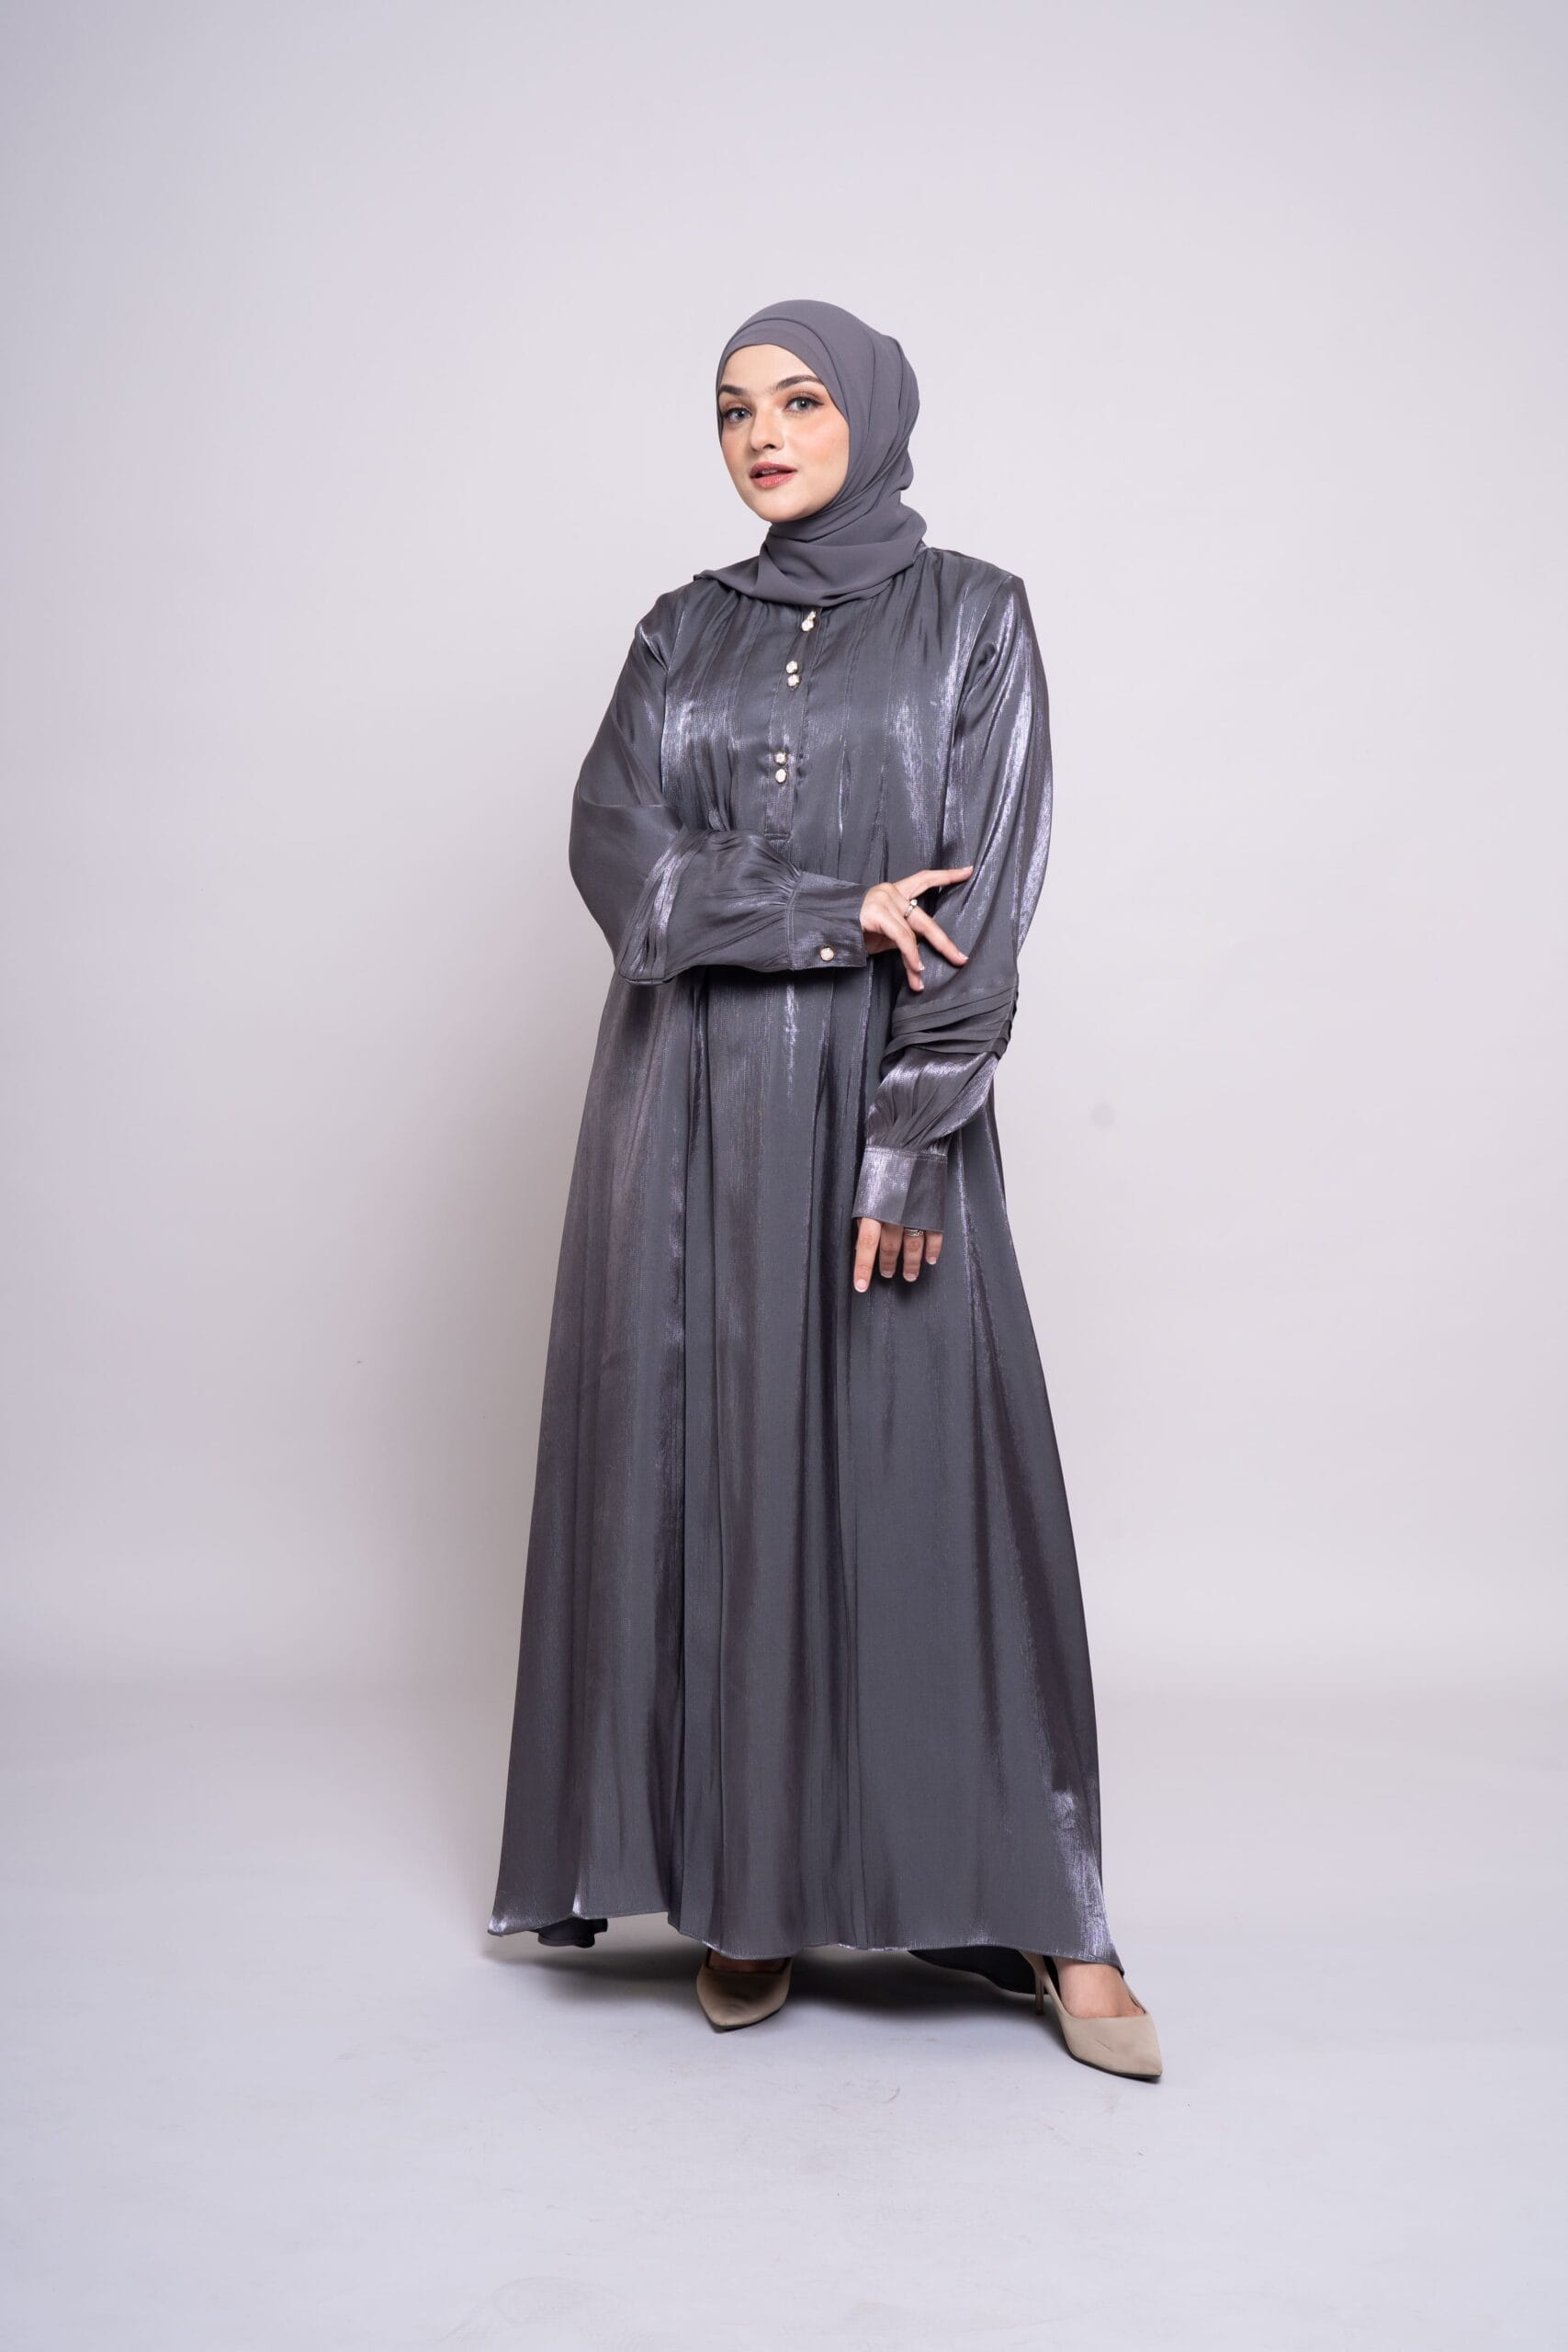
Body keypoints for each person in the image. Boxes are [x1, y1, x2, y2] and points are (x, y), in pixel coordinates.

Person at [486, 298, 1160, 2079]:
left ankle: (1056, 1913)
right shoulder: (681, 629)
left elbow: (982, 897)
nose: (763, 434)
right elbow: (617, 858)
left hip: (878, 1100)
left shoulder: (973, 619)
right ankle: (751, 1885)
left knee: (933, 1477)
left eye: (796, 400)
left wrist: (911, 1133)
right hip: (684, 1110)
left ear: (869, 411)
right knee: (718, 1469)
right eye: (732, 409)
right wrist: (824, 908)